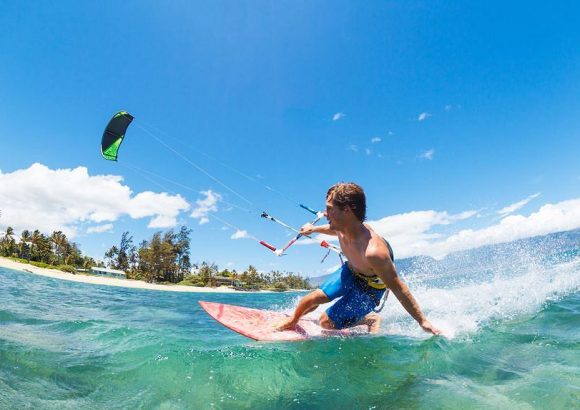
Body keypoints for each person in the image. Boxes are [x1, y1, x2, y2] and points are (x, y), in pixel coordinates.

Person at [276, 182, 442, 335]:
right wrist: (313, 229)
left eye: (329, 208)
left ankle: (369, 319)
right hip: (352, 271)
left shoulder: (374, 252)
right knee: (313, 299)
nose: (325, 214)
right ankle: (292, 321)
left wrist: (423, 321)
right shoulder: (343, 227)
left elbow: (399, 288)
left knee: (325, 323)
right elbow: (332, 229)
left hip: (370, 289)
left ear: (347, 210)